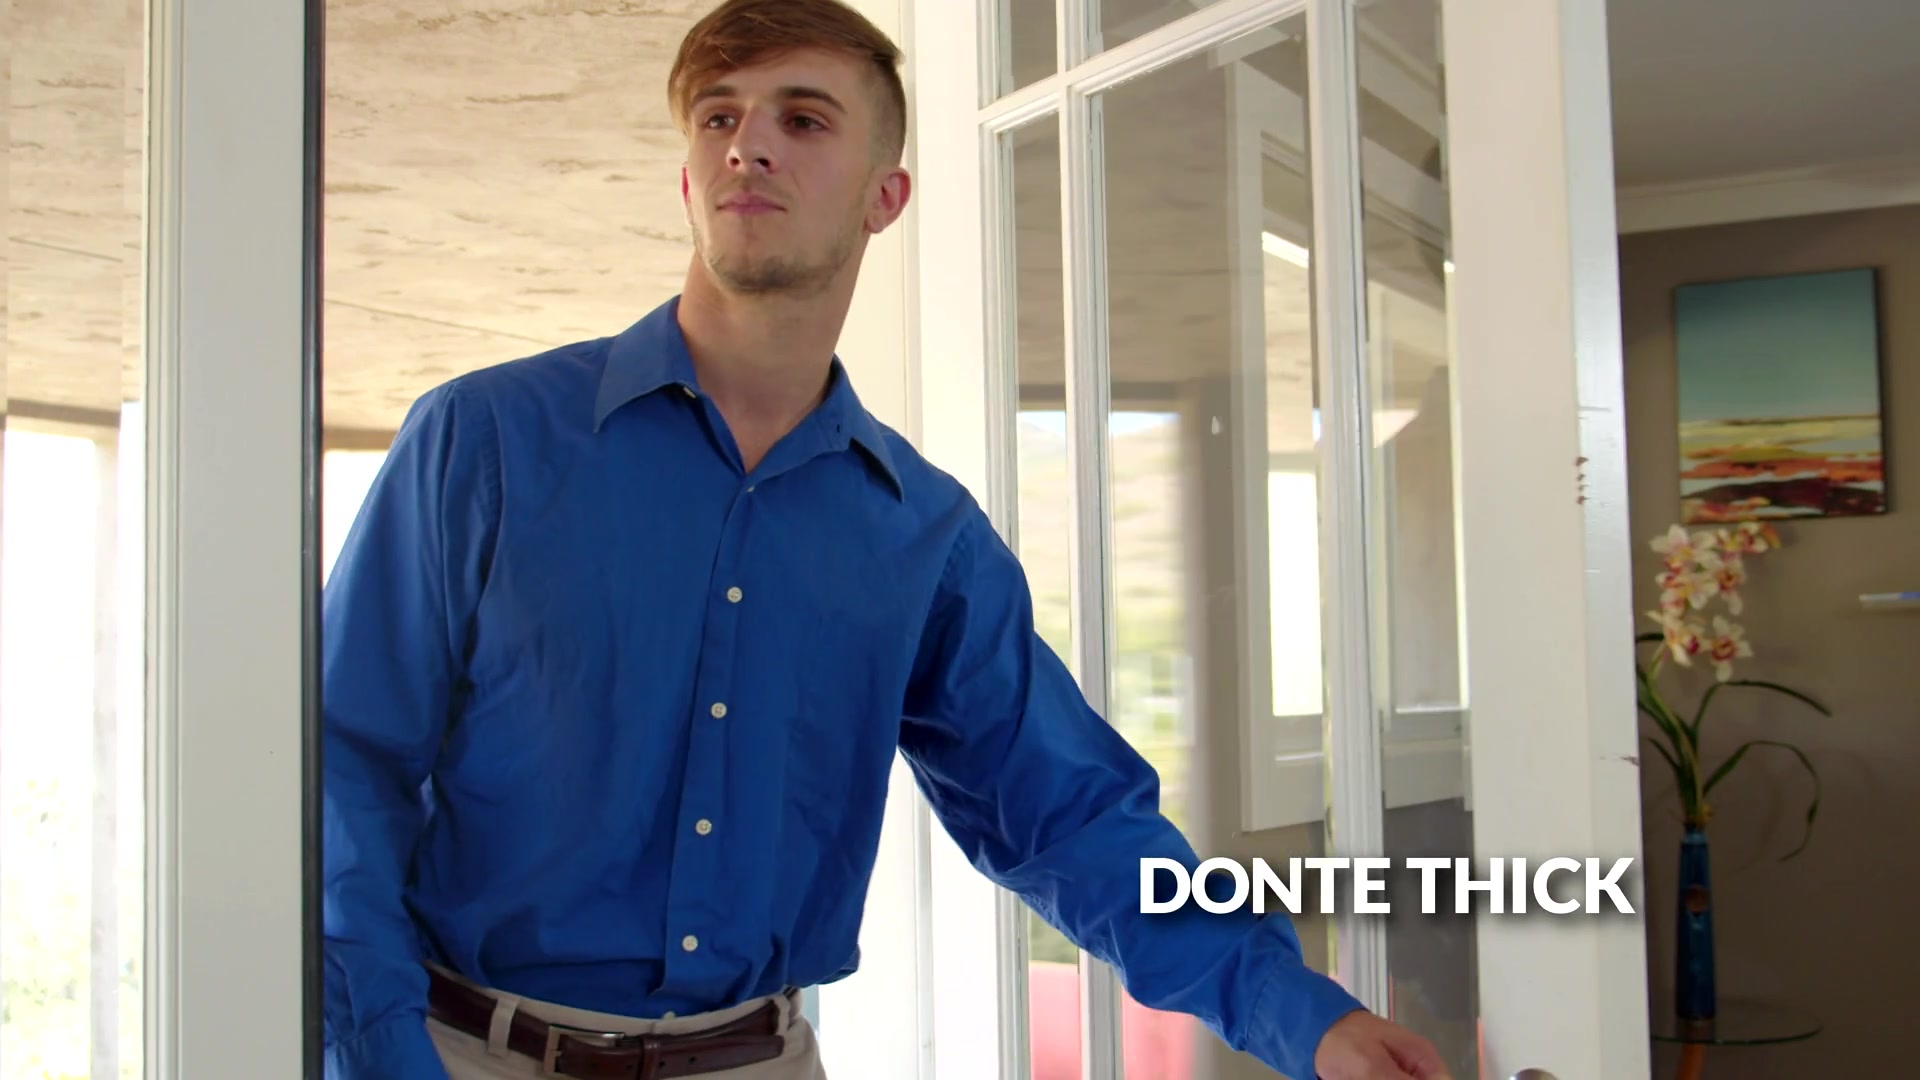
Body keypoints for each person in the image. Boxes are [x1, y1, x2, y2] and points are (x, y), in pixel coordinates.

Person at [320, 1, 1452, 1077]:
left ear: (884, 195)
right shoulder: (483, 440)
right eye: (718, 116)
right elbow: (341, 768)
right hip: (464, 1055)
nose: (748, 145)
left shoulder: (925, 535)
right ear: (687, 177)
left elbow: (1068, 820)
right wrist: (377, 1056)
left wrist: (1308, 1019)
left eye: (803, 119)